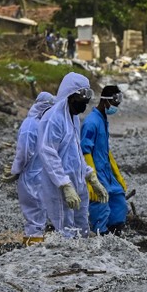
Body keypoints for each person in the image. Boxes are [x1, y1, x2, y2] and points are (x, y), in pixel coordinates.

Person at [37, 72, 104, 238]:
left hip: (78, 180)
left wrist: (90, 176)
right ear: (70, 96)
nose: (84, 105)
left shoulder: (73, 118)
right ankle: (67, 261)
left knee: (81, 224)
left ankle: (84, 257)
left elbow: (75, 152)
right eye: (82, 100)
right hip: (61, 183)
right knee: (65, 225)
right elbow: (48, 153)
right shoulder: (54, 119)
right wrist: (64, 184)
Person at [81, 85, 128, 235]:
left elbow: (105, 150)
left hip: (107, 171)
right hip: (96, 171)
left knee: (119, 199)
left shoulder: (103, 120)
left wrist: (117, 174)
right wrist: (91, 179)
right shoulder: (91, 123)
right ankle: (101, 234)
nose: (115, 108)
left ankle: (116, 231)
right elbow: (84, 150)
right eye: (114, 104)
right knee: (100, 203)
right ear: (105, 101)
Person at [10, 92, 56, 245]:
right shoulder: (30, 126)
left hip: (38, 174)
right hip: (31, 174)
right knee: (34, 211)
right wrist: (16, 170)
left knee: (38, 211)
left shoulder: (41, 124)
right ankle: (33, 245)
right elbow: (24, 152)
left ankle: (35, 243)